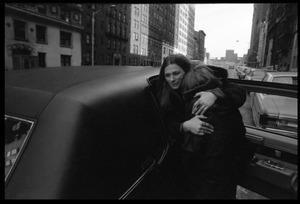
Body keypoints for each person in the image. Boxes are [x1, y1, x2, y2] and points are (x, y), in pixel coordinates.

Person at [151, 54, 252, 199]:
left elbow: (239, 92)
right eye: (167, 75)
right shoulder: (163, 94)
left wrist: (216, 94)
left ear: (187, 71)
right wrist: (183, 126)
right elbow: (161, 127)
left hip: (211, 173)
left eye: (176, 73)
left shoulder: (203, 92)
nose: (172, 79)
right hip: (214, 171)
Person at [180, 64, 253, 199]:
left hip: (207, 182)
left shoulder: (198, 109)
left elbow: (190, 153)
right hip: (228, 175)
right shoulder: (227, 102)